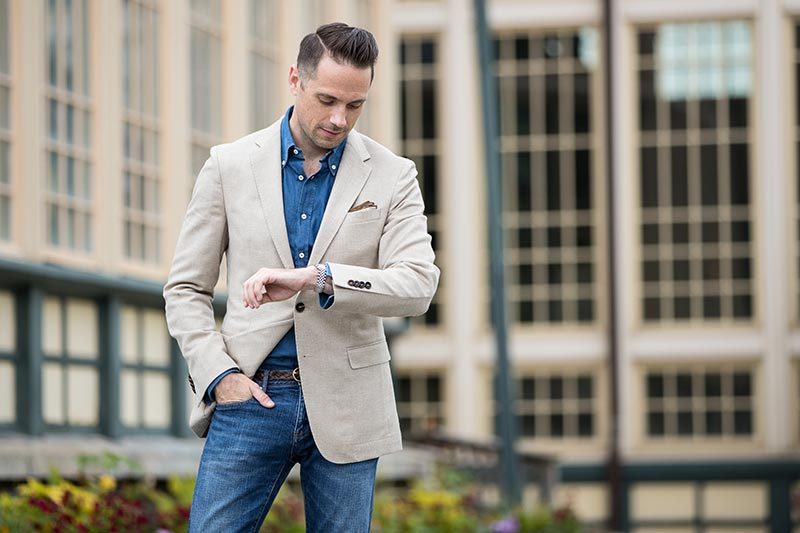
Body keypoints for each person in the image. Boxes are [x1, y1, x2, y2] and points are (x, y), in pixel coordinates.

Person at [163, 22, 439, 532]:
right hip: (250, 397)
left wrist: (320, 278)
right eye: (327, 99)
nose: (339, 119)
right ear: (295, 79)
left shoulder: (393, 174)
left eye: (355, 106)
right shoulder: (228, 165)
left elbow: (418, 284)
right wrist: (219, 377)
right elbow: (185, 289)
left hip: (350, 402)